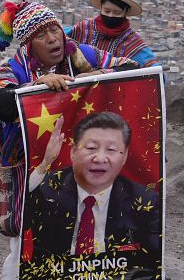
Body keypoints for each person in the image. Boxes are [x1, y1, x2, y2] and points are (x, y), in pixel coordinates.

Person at [0, 0, 137, 280]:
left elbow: (132, 68)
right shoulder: (15, 68)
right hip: (28, 167)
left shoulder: (81, 56)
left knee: (66, 236)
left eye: (55, 29)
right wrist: (37, 89)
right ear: (28, 42)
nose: (54, 38)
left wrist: (98, 76)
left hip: (73, 167)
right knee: (25, 244)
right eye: (43, 33)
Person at [26, 112, 161, 262]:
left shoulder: (145, 202)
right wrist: (45, 163)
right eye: (91, 148)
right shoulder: (47, 188)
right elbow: (15, 215)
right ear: (73, 151)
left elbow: (151, 259)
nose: (100, 159)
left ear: (125, 156)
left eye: (111, 150)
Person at [66, 0, 158, 67]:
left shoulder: (131, 41)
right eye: (107, 11)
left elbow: (155, 70)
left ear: (125, 12)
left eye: (117, 13)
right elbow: (60, 36)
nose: (110, 15)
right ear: (101, 8)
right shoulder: (85, 28)